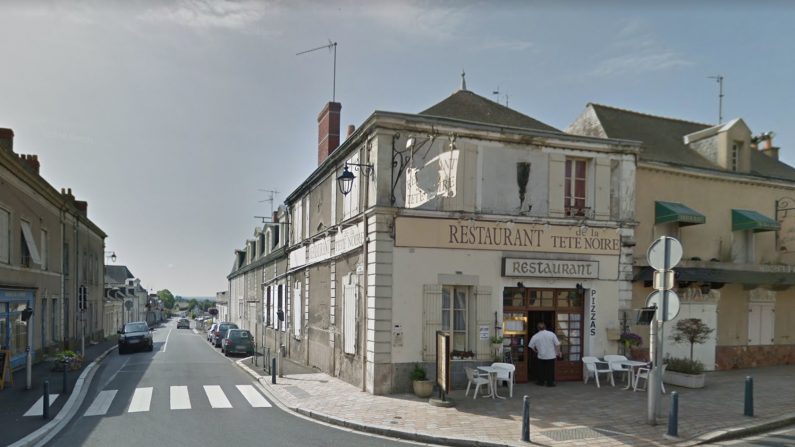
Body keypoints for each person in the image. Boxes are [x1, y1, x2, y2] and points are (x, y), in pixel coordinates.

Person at [528, 322, 561, 387]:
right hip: (551, 355)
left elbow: (531, 346)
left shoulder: (535, 336)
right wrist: (558, 352)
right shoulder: (551, 334)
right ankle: (550, 383)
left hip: (541, 356)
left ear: (538, 328)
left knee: (541, 370)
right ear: (545, 327)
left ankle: (541, 382)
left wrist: (536, 351)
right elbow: (557, 344)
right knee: (550, 370)